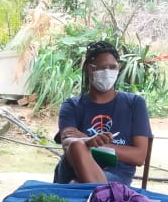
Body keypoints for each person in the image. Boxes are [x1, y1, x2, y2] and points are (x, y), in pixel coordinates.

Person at [53, 40, 152, 186]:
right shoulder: (72, 106)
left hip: (115, 174)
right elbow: (67, 142)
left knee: (77, 182)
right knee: (76, 146)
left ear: (119, 68)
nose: (107, 72)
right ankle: (97, 193)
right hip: (72, 169)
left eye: (112, 67)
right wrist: (85, 142)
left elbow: (139, 156)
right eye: (101, 67)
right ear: (88, 68)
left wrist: (91, 142)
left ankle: (87, 189)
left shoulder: (134, 104)